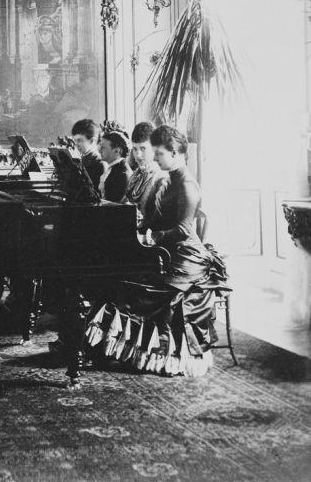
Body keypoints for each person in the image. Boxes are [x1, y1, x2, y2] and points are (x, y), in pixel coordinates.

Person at [86, 124, 227, 377]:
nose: (155, 157)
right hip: (165, 250)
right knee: (120, 279)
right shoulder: (169, 179)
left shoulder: (186, 185)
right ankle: (105, 348)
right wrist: (140, 226)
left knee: (136, 287)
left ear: (176, 153)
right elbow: (158, 216)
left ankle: (144, 351)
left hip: (186, 259)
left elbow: (183, 229)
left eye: (159, 153)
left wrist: (153, 235)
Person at [126, 121, 167, 223]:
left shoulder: (162, 178)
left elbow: (164, 221)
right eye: (135, 149)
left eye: (143, 149)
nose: (138, 155)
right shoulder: (135, 175)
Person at [99, 128, 132, 203]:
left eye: (103, 148)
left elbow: (115, 206)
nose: (99, 150)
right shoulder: (112, 168)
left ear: (117, 150)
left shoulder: (123, 174)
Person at [71, 118, 105, 190]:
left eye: (79, 140)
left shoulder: (100, 163)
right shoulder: (83, 158)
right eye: (75, 141)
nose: (76, 144)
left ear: (92, 140)